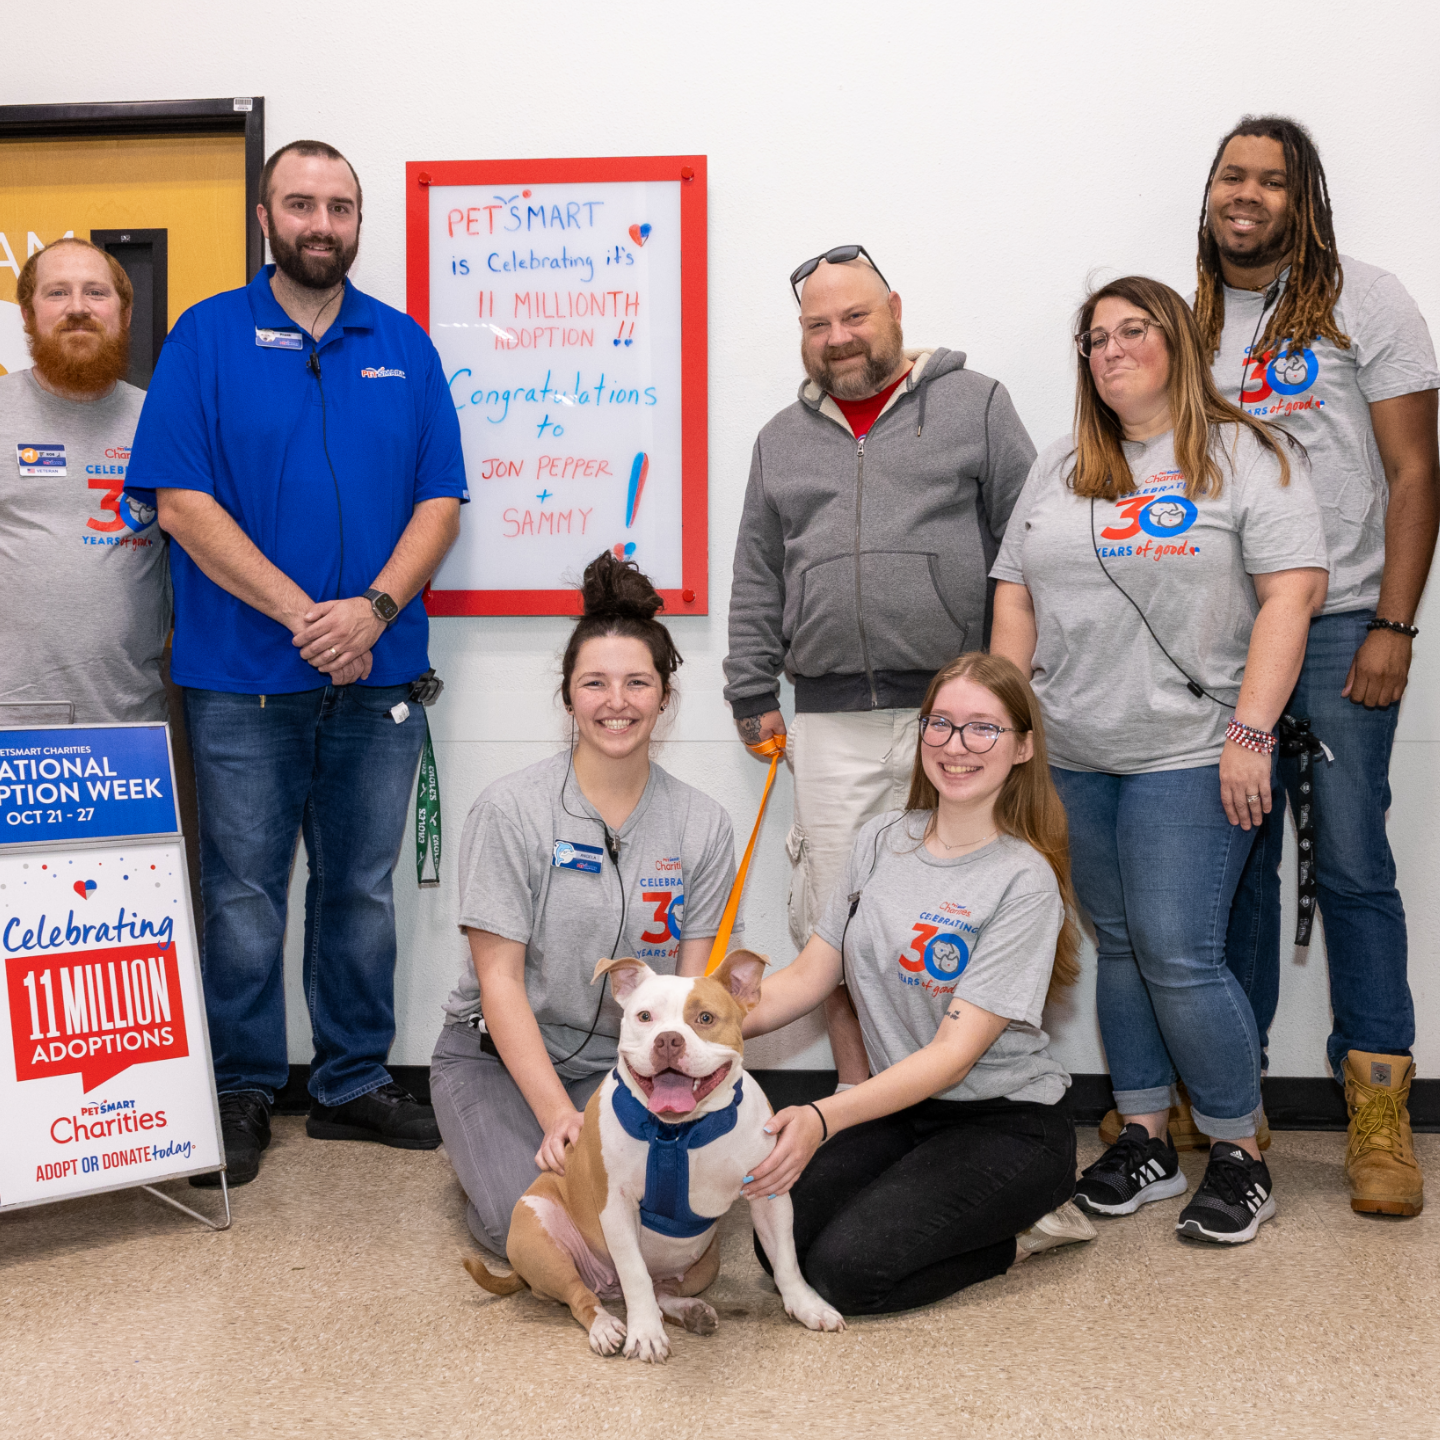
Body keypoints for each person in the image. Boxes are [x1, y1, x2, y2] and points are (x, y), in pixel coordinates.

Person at [124, 140, 467, 1188]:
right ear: (264, 217)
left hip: (379, 675)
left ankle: (354, 1080)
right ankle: (237, 1090)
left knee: (361, 889)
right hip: (240, 677)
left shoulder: (403, 347)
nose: (323, 223)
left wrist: (368, 611)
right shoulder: (203, 339)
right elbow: (179, 501)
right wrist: (301, 615)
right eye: (301, 204)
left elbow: (439, 502)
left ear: (359, 224)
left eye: (341, 207)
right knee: (241, 894)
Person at [991, 276, 1328, 1244]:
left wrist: (1252, 735)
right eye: (1093, 339)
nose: (1109, 351)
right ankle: (1142, 1136)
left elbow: (1289, 598)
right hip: (1075, 754)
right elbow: (1014, 595)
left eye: (1132, 331)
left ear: (1178, 344)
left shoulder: (1250, 456)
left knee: (1180, 951)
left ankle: (1237, 1149)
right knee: (1125, 945)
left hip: (1194, 750)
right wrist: (1011, 733)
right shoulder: (1060, 468)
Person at [1197, 115, 1439, 1218]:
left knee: (1349, 860)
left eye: (1271, 179)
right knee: (1230, 862)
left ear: (1305, 197)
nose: (1246, 194)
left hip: (1342, 620)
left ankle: (1379, 1107)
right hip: (1223, 630)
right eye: (1231, 176)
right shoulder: (1184, 315)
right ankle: (1226, 1096)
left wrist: (1395, 623)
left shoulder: (1366, 299)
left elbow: (1414, 469)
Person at [724, 247, 1037, 1093]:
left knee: (960, 914)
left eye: (855, 316)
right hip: (826, 723)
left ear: (895, 308)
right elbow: (757, 571)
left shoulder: (976, 406)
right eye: (818, 324)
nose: (839, 337)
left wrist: (1015, 701)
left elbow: (1030, 549)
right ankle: (860, 1105)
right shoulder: (780, 440)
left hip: (958, 718)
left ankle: (968, 1104)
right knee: (839, 919)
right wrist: (751, 689)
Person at [737, 652, 1092, 1315]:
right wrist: (694, 1019)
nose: (956, 746)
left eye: (983, 728)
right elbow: (810, 976)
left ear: (1022, 747)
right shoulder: (880, 838)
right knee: (776, 1245)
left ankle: (1031, 1228)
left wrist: (820, 1117)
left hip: (1007, 1126)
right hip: (901, 1111)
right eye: (942, 724)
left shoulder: (1023, 879)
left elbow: (952, 1058)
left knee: (849, 1274)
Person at [431, 552, 741, 1255]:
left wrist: (681, 1089)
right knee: (544, 1229)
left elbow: (698, 997)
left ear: (665, 696)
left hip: (634, 1066)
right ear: (568, 696)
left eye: (638, 682)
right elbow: (499, 981)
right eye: (594, 683)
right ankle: (486, 1135)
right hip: (499, 1058)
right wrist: (556, 1117)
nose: (617, 701)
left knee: (670, 1227)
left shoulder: (703, 824)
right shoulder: (511, 810)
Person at [1, 238, 167, 726]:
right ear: (28, 315)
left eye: (95, 292)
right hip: (8, 723)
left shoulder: (161, 420)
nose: (77, 308)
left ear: (126, 312)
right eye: (57, 293)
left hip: (132, 724)